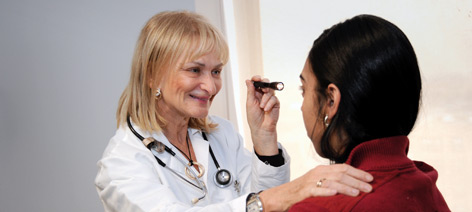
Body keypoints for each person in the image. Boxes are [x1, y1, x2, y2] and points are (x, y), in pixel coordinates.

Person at [95, 11, 373, 212]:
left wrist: (264, 138)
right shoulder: (121, 164)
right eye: (195, 70)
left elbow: (259, 199)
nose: (210, 85)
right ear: (152, 75)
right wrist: (283, 195)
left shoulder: (220, 133)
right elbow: (261, 204)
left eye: (216, 71)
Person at [288, 14, 450, 211]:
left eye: (303, 90)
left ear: (331, 100)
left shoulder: (320, 207)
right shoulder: (426, 188)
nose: (303, 106)